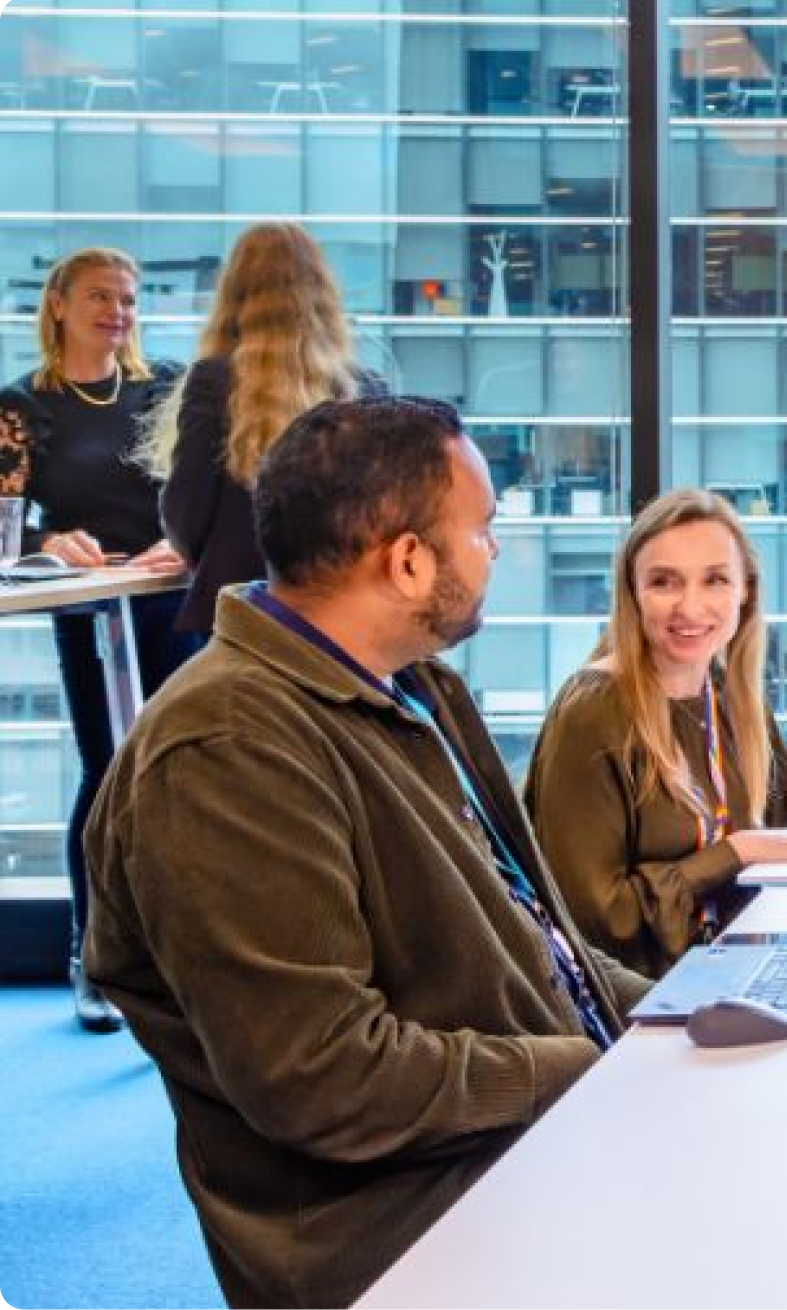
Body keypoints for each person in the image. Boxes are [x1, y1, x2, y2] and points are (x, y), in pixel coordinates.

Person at [84, 397, 650, 1309]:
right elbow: (323, 1081)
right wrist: (595, 1068)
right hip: (403, 1225)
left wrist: (676, 1012)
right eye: (483, 530)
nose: (494, 551)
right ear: (408, 559)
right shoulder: (228, 751)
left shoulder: (406, 684)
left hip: (520, 1140)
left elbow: (529, 937)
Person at [525, 490, 787, 978]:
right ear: (632, 593)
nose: (690, 607)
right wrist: (734, 854)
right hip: (644, 1001)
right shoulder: (594, 710)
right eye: (664, 582)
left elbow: (785, 802)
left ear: (744, 590)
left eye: (715, 580)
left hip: (736, 964)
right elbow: (595, 920)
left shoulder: (725, 690)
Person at [0, 247, 200, 1032]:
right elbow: (4, 532)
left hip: (175, 597)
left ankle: (183, 953)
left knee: (183, 773)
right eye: (98, 296)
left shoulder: (164, 389)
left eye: (127, 297)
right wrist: (49, 544)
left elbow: (204, 491)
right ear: (57, 305)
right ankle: (94, 955)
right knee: (108, 769)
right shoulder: (23, 408)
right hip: (89, 610)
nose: (116, 310)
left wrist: (186, 541)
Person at [150, 221, 386, 638]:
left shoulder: (213, 380)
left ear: (233, 293)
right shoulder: (364, 390)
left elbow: (186, 511)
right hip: (343, 610)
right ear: (321, 292)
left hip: (239, 608)